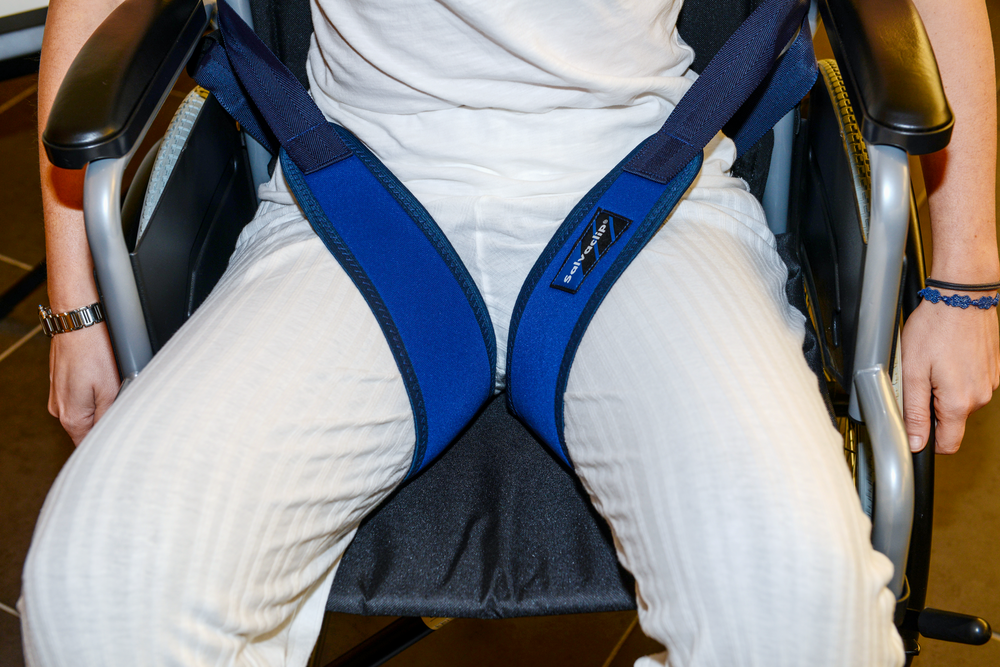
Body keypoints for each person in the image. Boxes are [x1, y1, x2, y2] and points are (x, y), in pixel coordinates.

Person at [20, 0, 999, 665]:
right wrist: (78, 303)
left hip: (637, 183)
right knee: (97, 596)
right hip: (360, 189)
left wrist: (965, 282)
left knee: (805, 620)